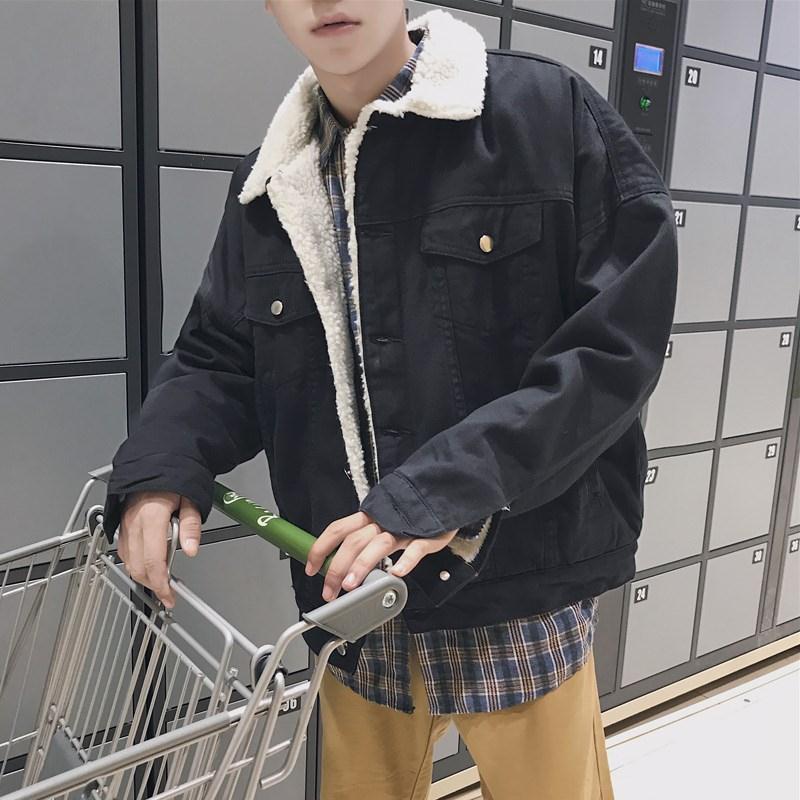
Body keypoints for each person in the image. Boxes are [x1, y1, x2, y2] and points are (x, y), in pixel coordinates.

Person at [104, 3, 678, 799]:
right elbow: (219, 355)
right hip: (358, 607)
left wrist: (440, 492)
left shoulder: (543, 116)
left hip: (515, 590)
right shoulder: (273, 180)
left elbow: (613, 345)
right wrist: (161, 466)